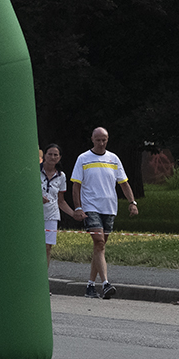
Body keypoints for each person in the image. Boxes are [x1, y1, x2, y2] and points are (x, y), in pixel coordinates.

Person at [71, 127, 139, 299]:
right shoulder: (83, 158)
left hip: (109, 207)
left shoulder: (113, 159)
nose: (101, 143)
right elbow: (76, 185)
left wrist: (132, 202)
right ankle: (106, 283)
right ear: (92, 140)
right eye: (98, 140)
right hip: (90, 207)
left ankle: (90, 286)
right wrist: (78, 207)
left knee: (99, 247)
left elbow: (123, 182)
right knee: (99, 242)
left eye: (104, 140)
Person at [42, 143, 80, 269]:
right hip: (35, 214)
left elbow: (61, 201)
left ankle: (44, 280)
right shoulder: (35, 171)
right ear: (45, 155)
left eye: (55, 155)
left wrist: (73, 214)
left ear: (59, 158)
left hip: (51, 215)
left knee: (47, 247)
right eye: (50, 154)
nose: (52, 157)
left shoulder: (61, 176)